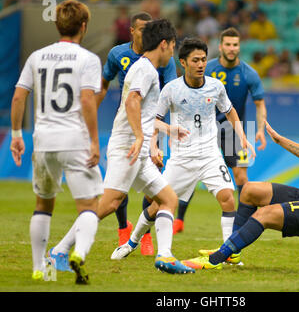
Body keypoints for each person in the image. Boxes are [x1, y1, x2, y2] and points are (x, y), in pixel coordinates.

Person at [110, 37, 256, 263]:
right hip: (181, 159)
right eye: (195, 60)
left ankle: (229, 253)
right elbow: (153, 120)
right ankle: (133, 240)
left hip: (209, 155)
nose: (201, 64)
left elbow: (229, 111)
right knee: (157, 204)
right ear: (183, 62)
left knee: (228, 197)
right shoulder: (171, 89)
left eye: (204, 60)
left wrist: (243, 137)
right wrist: (154, 146)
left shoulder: (215, 86)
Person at [181, 120, 299, 270]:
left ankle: (216, 259)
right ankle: (232, 252)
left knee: (264, 214)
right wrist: (279, 139)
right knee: (249, 190)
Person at [10, 0, 102, 284]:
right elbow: (87, 99)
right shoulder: (88, 59)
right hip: (75, 140)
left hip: (43, 141)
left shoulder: (37, 56)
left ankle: (40, 268)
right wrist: (95, 141)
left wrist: (16, 135)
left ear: (57, 24)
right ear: (84, 26)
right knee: (89, 206)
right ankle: (79, 254)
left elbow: (18, 96)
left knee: (42, 205)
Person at [99, 18, 194, 274]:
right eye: (173, 46)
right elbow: (132, 102)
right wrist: (142, 138)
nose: (173, 52)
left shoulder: (146, 68)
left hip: (137, 148)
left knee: (168, 199)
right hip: (128, 147)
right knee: (108, 204)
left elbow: (144, 113)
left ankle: (163, 255)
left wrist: (167, 130)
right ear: (164, 44)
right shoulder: (147, 70)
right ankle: (61, 249)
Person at [172, 27, 268, 235]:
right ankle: (178, 220)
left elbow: (260, 103)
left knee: (241, 178)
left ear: (239, 46)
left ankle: (241, 222)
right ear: (221, 46)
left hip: (233, 130)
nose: (232, 48)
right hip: (204, 130)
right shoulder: (207, 67)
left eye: (235, 44)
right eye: (228, 44)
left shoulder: (248, 73)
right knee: (191, 177)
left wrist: (260, 129)